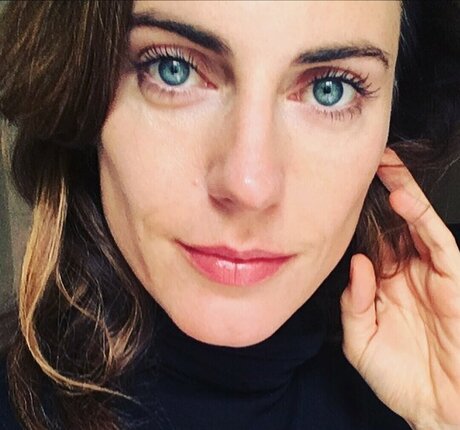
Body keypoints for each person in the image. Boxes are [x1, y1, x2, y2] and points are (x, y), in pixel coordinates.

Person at [0, 1, 460, 429]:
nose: (249, 187)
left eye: (330, 90)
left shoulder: (427, 385)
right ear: (84, 92)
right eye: (173, 69)